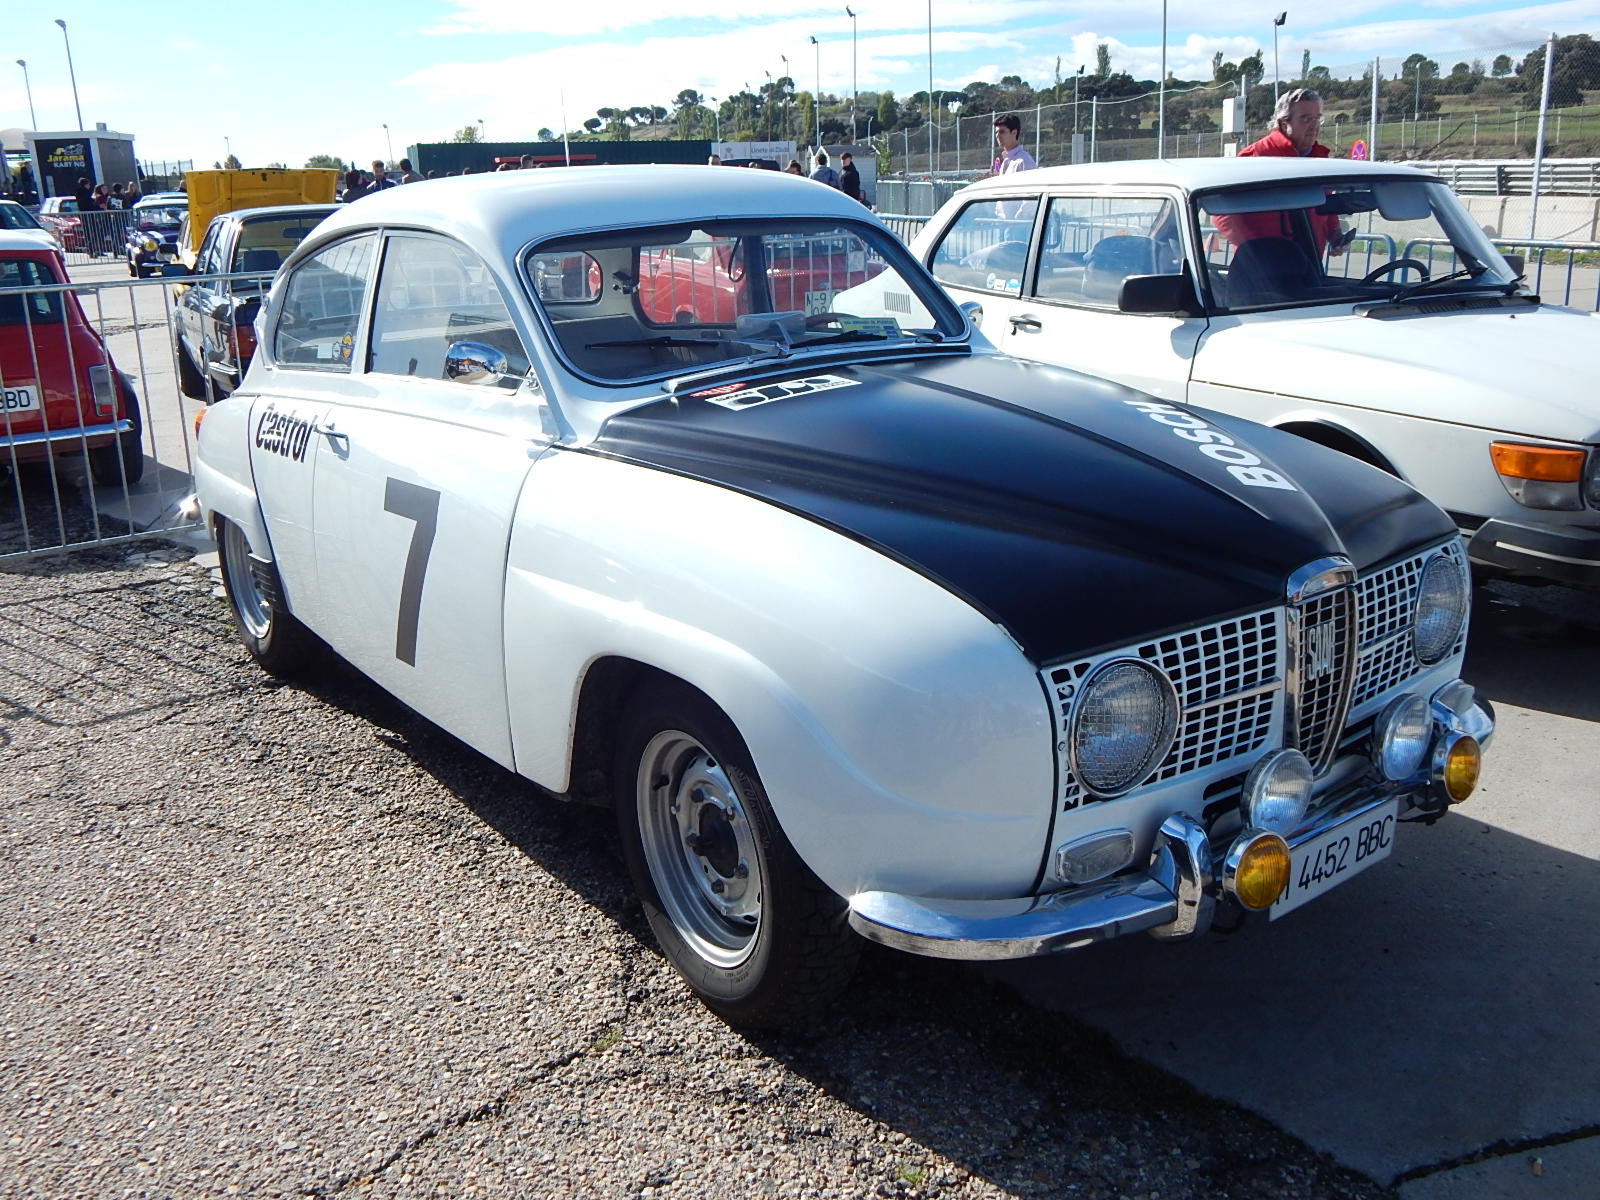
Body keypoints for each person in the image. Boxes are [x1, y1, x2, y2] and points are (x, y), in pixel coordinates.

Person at [1217, 88, 1345, 257]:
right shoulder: (1256, 157)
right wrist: (1256, 249)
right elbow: (1223, 214)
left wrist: (1334, 234)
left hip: (1309, 263)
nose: (1314, 125)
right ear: (1284, 123)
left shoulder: (1318, 158)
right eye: (1306, 118)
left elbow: (1324, 203)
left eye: (1317, 118)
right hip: (1264, 267)